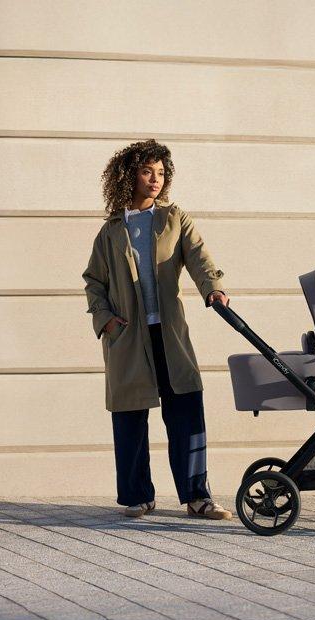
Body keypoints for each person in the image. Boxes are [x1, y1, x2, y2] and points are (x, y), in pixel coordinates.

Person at [82, 138, 232, 520]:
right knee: (130, 415)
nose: (155, 179)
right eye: (147, 171)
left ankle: (197, 497)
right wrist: (106, 321)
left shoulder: (174, 219)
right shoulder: (111, 231)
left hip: (168, 333)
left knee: (186, 408)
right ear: (129, 175)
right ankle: (138, 496)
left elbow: (199, 257)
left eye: (161, 173)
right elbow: (93, 282)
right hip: (128, 335)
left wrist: (212, 287)